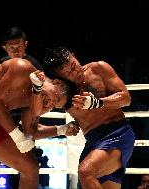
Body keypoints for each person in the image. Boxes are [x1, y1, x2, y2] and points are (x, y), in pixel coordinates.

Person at [0, 58, 78, 189]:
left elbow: (31, 131)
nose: (49, 104)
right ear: (56, 82)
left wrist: (62, 130)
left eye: (54, 106)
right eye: (55, 98)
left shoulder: (39, 100)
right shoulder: (22, 68)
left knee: (30, 168)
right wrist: (18, 137)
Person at [42, 46, 136, 189]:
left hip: (117, 133)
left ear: (74, 56)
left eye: (73, 65)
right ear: (60, 78)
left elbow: (126, 98)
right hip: (93, 142)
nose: (75, 72)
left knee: (85, 172)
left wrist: (98, 103)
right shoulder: (64, 92)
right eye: (68, 73)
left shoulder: (98, 69)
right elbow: (38, 109)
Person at [0, 26, 44, 189]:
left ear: (25, 44)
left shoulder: (34, 67)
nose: (16, 50)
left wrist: (29, 130)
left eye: (19, 46)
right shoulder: (2, 65)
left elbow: (37, 103)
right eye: (11, 47)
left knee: (28, 170)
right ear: (5, 48)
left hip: (23, 124)